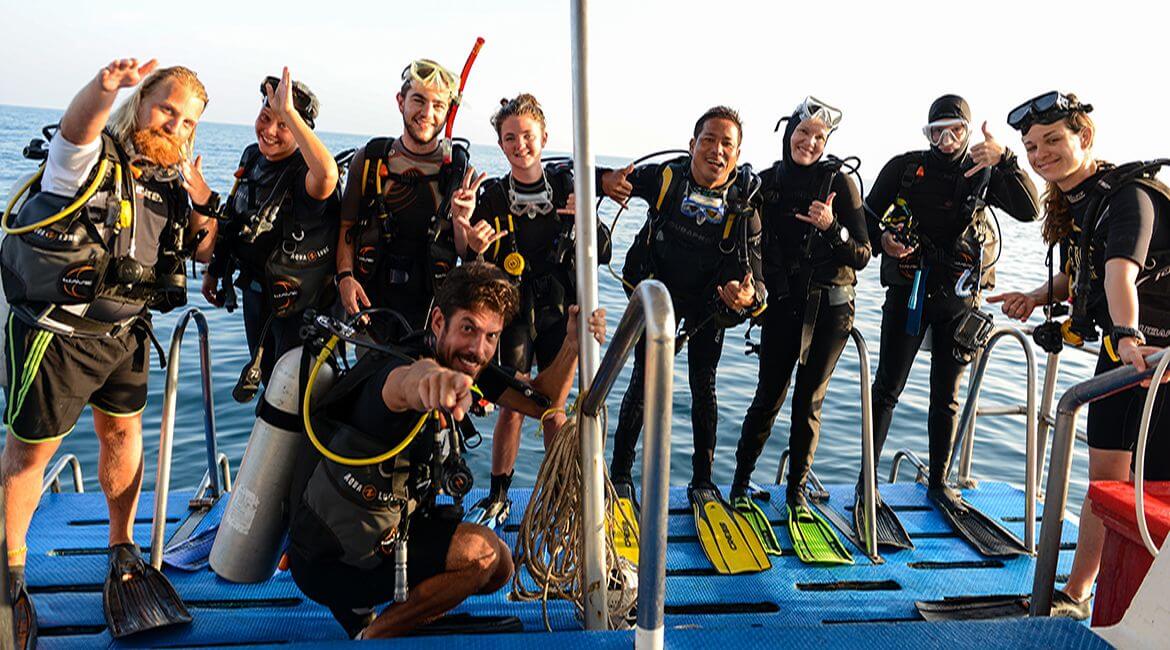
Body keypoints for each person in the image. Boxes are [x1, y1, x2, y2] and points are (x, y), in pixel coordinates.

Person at [0, 58, 215, 644]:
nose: (173, 125)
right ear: (142, 101)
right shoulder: (88, 161)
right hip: (57, 336)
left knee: (122, 437)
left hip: (124, 336)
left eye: (187, 120)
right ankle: (9, 573)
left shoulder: (171, 184)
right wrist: (100, 89)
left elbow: (199, 256)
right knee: (30, 454)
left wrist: (205, 205)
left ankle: (121, 549)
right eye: (166, 108)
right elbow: (75, 129)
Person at [285, 262, 605, 638]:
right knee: (482, 555)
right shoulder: (399, 369)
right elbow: (410, 382)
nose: (478, 348)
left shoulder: (468, 362)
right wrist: (437, 382)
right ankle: (375, 635)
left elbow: (544, 400)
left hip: (369, 533)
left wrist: (572, 344)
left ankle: (384, 611)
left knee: (501, 567)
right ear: (438, 321)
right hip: (333, 561)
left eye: (491, 336)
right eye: (468, 328)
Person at [990, 91, 1170, 619]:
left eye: (1051, 141)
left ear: (1083, 137)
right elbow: (1086, 271)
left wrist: (1129, 334)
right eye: (1030, 147)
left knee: (1154, 487)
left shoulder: (1129, 196)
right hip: (1127, 354)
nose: (1039, 154)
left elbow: (1121, 274)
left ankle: (1145, 607)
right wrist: (1038, 296)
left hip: (1155, 358)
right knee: (1107, 481)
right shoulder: (1086, 200)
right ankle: (1078, 591)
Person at [603, 106, 767, 573]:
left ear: (737, 155)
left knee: (704, 387)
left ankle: (702, 481)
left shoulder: (744, 206)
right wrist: (601, 183)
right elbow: (609, 182)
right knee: (640, 384)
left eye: (727, 145)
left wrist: (747, 296)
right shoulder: (666, 179)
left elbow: (757, 281)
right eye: (709, 140)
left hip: (705, 306)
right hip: (654, 295)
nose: (717, 151)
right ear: (693, 143)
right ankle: (620, 476)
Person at [864, 94, 1039, 518]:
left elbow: (1031, 210)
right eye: (936, 132)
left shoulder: (982, 171)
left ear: (968, 130)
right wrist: (883, 243)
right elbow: (866, 220)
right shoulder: (904, 169)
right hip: (909, 293)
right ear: (926, 133)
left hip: (959, 301)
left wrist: (1007, 160)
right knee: (887, 388)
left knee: (947, 397)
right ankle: (866, 483)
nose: (946, 141)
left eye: (955, 131)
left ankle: (940, 483)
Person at [454, 93, 619, 527]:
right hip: (512, 313)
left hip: (562, 311)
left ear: (543, 137)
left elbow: (602, 251)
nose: (519, 144)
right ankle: (499, 496)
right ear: (501, 143)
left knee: (555, 405)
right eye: (510, 138)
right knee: (512, 404)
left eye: (527, 135)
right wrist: (470, 241)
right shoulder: (490, 195)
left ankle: (564, 494)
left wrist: (588, 222)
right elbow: (473, 265)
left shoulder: (569, 186)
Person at [729, 98, 869, 522]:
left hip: (830, 309)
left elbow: (863, 253)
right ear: (788, 132)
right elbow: (745, 241)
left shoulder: (840, 185)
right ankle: (739, 483)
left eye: (818, 137)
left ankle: (796, 492)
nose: (809, 143)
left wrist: (832, 227)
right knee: (767, 397)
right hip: (782, 306)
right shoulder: (767, 182)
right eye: (802, 133)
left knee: (809, 401)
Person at [201, 68, 340, 395]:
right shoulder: (252, 157)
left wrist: (288, 112)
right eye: (266, 118)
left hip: (301, 309)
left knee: (298, 397)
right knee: (268, 386)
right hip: (256, 297)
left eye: (285, 125)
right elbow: (235, 219)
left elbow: (328, 174)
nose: (271, 132)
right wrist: (214, 270)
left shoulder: (307, 173)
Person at [335, 58, 483, 340]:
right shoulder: (369, 159)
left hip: (433, 314)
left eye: (438, 105)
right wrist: (345, 278)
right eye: (419, 100)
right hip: (372, 308)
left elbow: (465, 253)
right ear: (400, 101)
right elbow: (347, 225)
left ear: (448, 112)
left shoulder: (458, 171)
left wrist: (463, 221)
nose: (427, 113)